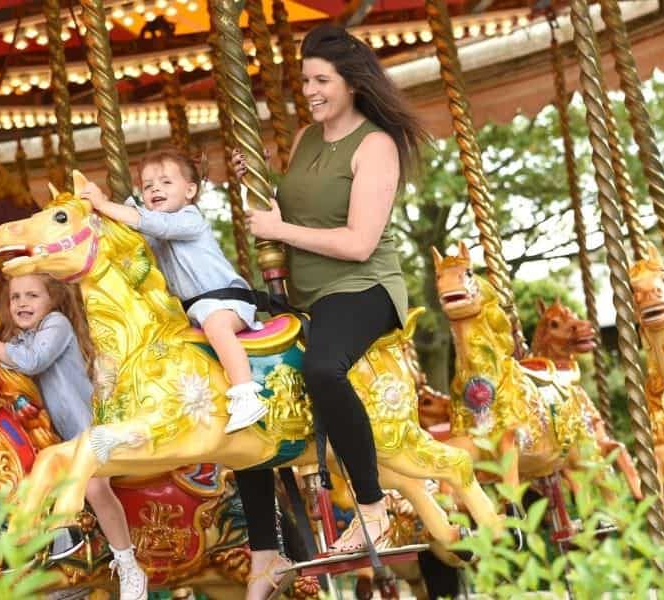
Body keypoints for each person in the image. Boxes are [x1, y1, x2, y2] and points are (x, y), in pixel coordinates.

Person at [231, 23, 430, 599]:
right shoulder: (305, 140)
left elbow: (358, 242)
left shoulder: (376, 145)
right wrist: (261, 191)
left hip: (363, 287)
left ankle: (370, 507)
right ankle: (264, 552)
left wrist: (277, 226)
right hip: (308, 291)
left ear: (351, 83)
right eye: (306, 80)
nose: (311, 90)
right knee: (245, 386)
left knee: (322, 369)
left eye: (322, 80)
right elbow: (295, 210)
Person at [0, 273, 148, 600]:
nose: (21, 303)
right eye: (15, 297)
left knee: (93, 485)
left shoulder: (56, 325)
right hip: (56, 441)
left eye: (31, 295)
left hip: (89, 430)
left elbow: (32, 362)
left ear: (54, 300)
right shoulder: (17, 339)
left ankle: (128, 565)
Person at [81, 149, 268, 433]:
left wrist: (103, 204)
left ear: (190, 190)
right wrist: (98, 210)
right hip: (194, 312)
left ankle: (245, 393)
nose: (155, 188)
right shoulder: (156, 230)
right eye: (147, 185)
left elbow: (149, 222)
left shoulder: (189, 219)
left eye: (166, 182)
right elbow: (130, 235)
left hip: (226, 303)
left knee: (217, 325)